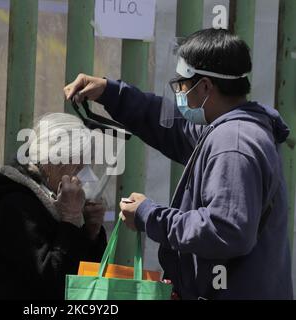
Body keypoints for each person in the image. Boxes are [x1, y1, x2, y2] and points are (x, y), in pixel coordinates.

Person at [63, 28, 293, 300]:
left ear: (206, 86)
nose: (180, 93)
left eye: (183, 84)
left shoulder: (234, 144)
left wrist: (149, 215)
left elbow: (226, 231)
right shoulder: (228, 130)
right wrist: (110, 92)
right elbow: (173, 129)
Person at [0, 113, 107, 300]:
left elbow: (88, 284)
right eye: (78, 167)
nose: (87, 177)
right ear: (48, 163)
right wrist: (70, 219)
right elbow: (52, 286)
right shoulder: (17, 209)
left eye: (88, 166)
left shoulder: (54, 203)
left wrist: (91, 233)